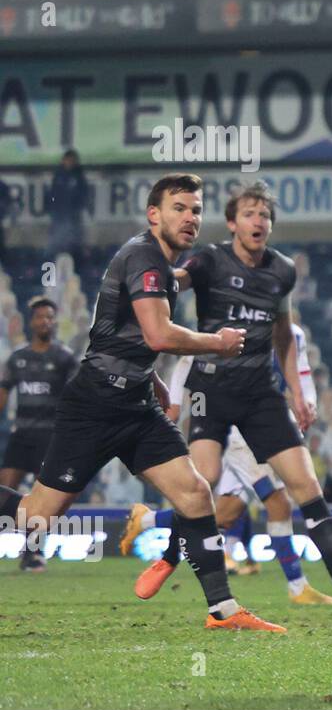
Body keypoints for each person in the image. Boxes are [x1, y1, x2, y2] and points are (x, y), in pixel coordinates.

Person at [0, 173, 281, 631]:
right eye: (179, 208)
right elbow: (158, 334)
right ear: (154, 214)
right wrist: (218, 342)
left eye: (195, 210)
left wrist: (152, 381)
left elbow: (129, 336)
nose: (190, 218)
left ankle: (223, 611)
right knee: (36, 517)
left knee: (194, 492)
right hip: (94, 405)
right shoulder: (144, 258)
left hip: (135, 403)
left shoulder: (163, 268)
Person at [132, 181, 332, 615]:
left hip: (261, 394)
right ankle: (170, 556)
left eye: (264, 215)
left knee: (305, 484)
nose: (258, 222)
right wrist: (154, 276)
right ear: (232, 223)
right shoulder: (210, 259)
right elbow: (177, 280)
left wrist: (299, 392)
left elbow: (283, 334)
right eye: (249, 214)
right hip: (211, 388)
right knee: (203, 481)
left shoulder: (282, 270)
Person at [121, 322, 332, 605]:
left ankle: (146, 520)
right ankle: (298, 587)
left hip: (265, 430)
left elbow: (303, 373)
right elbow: (190, 356)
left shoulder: (293, 333)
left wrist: (306, 403)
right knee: (278, 502)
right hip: (237, 433)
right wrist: (174, 405)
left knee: (224, 514)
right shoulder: (235, 322)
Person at [0, 296, 79, 571]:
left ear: (54, 322)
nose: (45, 321)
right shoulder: (17, 358)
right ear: (31, 321)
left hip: (50, 438)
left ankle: (32, 553)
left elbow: (75, 397)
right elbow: (3, 393)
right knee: (5, 486)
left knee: (41, 498)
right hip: (20, 434)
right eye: (40, 317)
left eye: (49, 317)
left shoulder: (64, 357)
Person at [45, 149, 91, 271]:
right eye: (67, 160)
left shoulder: (79, 177)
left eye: (72, 160)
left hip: (74, 220)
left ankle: (75, 274)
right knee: (55, 250)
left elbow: (83, 198)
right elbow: (52, 197)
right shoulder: (58, 176)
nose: (69, 163)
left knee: (74, 248)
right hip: (58, 220)